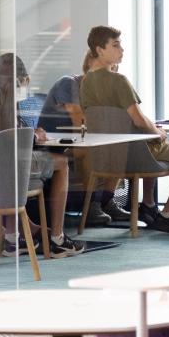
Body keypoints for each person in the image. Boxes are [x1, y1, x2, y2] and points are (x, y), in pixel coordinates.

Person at [0, 53, 85, 258]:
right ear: (22, 79)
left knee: (11, 168)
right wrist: (33, 135)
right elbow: (10, 136)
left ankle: (17, 236)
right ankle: (58, 239)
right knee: (61, 163)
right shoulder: (6, 86)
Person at [81, 26, 169, 235]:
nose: (122, 49)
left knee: (155, 143)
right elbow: (138, 119)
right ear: (99, 50)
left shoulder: (85, 83)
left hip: (112, 155)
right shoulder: (119, 81)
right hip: (136, 153)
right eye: (116, 45)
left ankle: (148, 205)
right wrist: (157, 131)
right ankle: (167, 214)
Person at [38, 51, 130, 226]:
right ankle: (91, 205)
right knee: (89, 150)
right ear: (90, 63)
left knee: (120, 148)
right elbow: (78, 119)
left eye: (112, 71)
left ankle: (106, 201)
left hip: (75, 142)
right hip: (54, 146)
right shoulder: (68, 83)